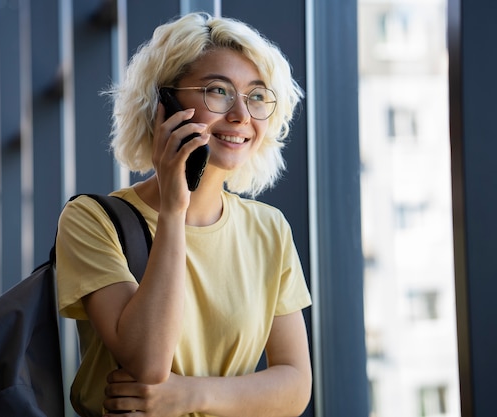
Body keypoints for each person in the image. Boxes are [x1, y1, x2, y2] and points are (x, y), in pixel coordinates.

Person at [55, 12, 312, 417]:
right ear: (164, 105)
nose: (242, 116)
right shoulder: (91, 219)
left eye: (257, 96)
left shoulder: (269, 228)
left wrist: (187, 394)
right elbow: (146, 362)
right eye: (218, 91)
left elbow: (295, 386)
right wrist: (174, 210)